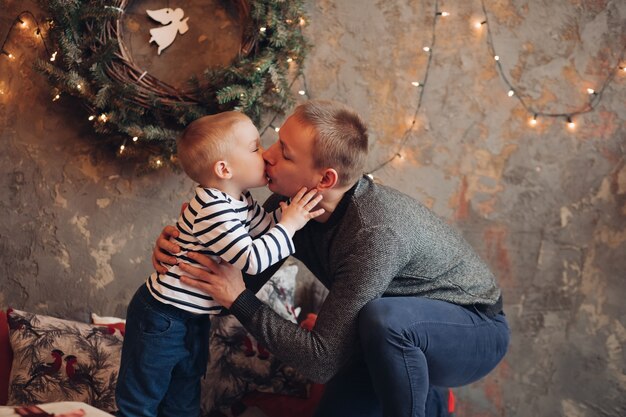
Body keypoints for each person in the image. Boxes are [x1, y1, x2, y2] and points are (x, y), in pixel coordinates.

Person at [152, 100, 510, 417]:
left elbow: (319, 360)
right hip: (377, 340)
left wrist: (240, 300)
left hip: (471, 329)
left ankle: (426, 398)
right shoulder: (288, 208)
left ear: (325, 178)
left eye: (286, 153)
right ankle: (423, 395)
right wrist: (183, 249)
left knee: (386, 318)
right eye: (276, 140)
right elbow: (235, 274)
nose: (268, 155)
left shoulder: (373, 233)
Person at [116, 111, 324, 417]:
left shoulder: (240, 199)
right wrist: (291, 225)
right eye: (255, 148)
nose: (266, 154)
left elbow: (267, 230)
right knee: (142, 399)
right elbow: (252, 260)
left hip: (193, 319)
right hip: (162, 317)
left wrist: (295, 213)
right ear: (224, 168)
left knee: (184, 395)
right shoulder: (212, 207)